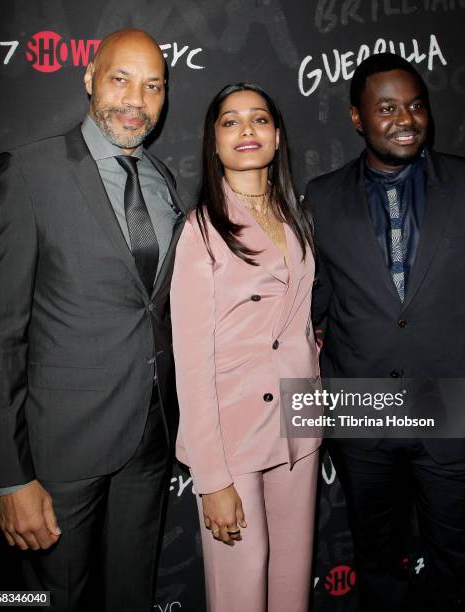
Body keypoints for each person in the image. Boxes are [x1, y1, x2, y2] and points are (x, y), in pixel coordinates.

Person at [305, 53, 465, 612]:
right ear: (357, 117)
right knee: (376, 561)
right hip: (362, 408)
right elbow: (314, 308)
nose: (405, 118)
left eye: (415, 105)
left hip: (456, 408)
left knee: (462, 564)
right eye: (386, 108)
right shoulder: (322, 197)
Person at [0, 29, 188, 611]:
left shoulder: (165, 182)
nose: (136, 100)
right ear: (89, 77)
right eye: (121, 79)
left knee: (131, 594)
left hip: (149, 441)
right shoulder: (27, 172)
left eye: (153, 86)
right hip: (58, 455)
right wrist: (10, 477)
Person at [170, 82, 321, 612]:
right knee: (239, 589)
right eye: (230, 122)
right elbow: (189, 365)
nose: (246, 130)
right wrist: (211, 479)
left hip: (299, 424)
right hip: (232, 435)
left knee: (291, 580)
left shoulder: (295, 215)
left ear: (277, 138)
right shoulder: (200, 231)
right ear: (214, 142)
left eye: (258, 119)